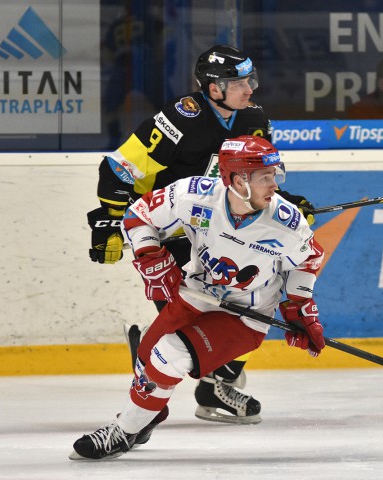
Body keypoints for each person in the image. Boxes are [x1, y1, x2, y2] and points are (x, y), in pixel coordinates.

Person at [86, 45, 315, 434]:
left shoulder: (253, 118)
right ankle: (148, 383)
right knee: (184, 315)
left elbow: (250, 177)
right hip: (166, 227)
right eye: (239, 83)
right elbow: (116, 170)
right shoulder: (180, 119)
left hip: (215, 228)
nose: (250, 89)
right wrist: (109, 222)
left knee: (252, 297)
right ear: (213, 89)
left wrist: (288, 202)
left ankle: (213, 388)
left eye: (250, 80)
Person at [71, 136, 326, 461]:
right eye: (265, 177)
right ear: (238, 180)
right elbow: (140, 214)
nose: (274, 185)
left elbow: (309, 259)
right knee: (146, 361)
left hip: (245, 314)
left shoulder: (286, 222)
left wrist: (300, 306)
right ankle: (147, 418)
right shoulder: (194, 194)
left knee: (168, 354)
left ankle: (122, 432)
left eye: (275, 175)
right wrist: (150, 255)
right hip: (197, 294)